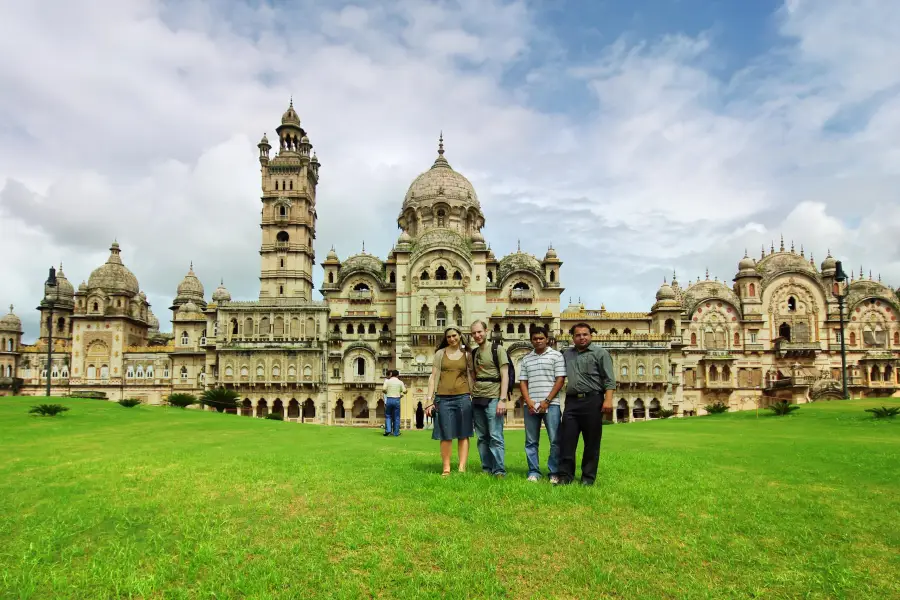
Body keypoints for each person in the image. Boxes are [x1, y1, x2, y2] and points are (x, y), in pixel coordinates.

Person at [557, 322, 616, 486]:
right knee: (567, 440)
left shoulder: (600, 353)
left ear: (591, 335)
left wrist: (608, 399)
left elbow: (609, 379)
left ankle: (587, 478)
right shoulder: (566, 354)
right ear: (573, 337)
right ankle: (565, 476)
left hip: (593, 400)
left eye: (585, 334)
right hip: (572, 401)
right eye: (578, 335)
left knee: (591, 442)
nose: (582, 337)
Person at [518, 325, 566, 483]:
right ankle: (534, 471)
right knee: (531, 441)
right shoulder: (526, 358)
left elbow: (560, 380)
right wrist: (529, 401)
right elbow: (523, 382)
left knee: (555, 440)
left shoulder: (556, 356)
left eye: (541, 338)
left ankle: (554, 472)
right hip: (531, 405)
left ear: (547, 339)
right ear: (531, 340)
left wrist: (547, 401)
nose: (538, 341)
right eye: (535, 339)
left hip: (551, 404)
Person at [424, 327, 474, 476]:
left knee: (463, 433)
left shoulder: (467, 354)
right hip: (443, 397)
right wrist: (429, 399)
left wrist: (473, 394)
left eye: (454, 336)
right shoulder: (440, 354)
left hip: (463, 396)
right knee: (446, 434)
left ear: (460, 336)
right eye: (448, 337)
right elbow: (433, 377)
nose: (452, 339)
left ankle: (461, 467)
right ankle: (446, 468)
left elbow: (471, 375)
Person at [469, 320, 509, 478]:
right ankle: (486, 468)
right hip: (478, 396)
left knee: (495, 435)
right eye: (474, 333)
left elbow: (505, 374)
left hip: (494, 396)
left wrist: (503, 399)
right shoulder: (474, 353)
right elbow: (473, 375)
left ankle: (499, 470)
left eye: (479, 332)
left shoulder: (497, 349)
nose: (477, 335)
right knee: (481, 436)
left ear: (486, 331)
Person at [382, 369, 406, 437]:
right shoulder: (400, 382)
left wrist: (387, 392)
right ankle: (396, 432)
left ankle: (388, 430)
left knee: (388, 416)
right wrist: (403, 391)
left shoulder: (388, 381)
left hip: (389, 399)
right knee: (396, 417)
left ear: (391, 374)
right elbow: (404, 391)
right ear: (398, 375)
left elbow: (383, 389)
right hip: (396, 400)